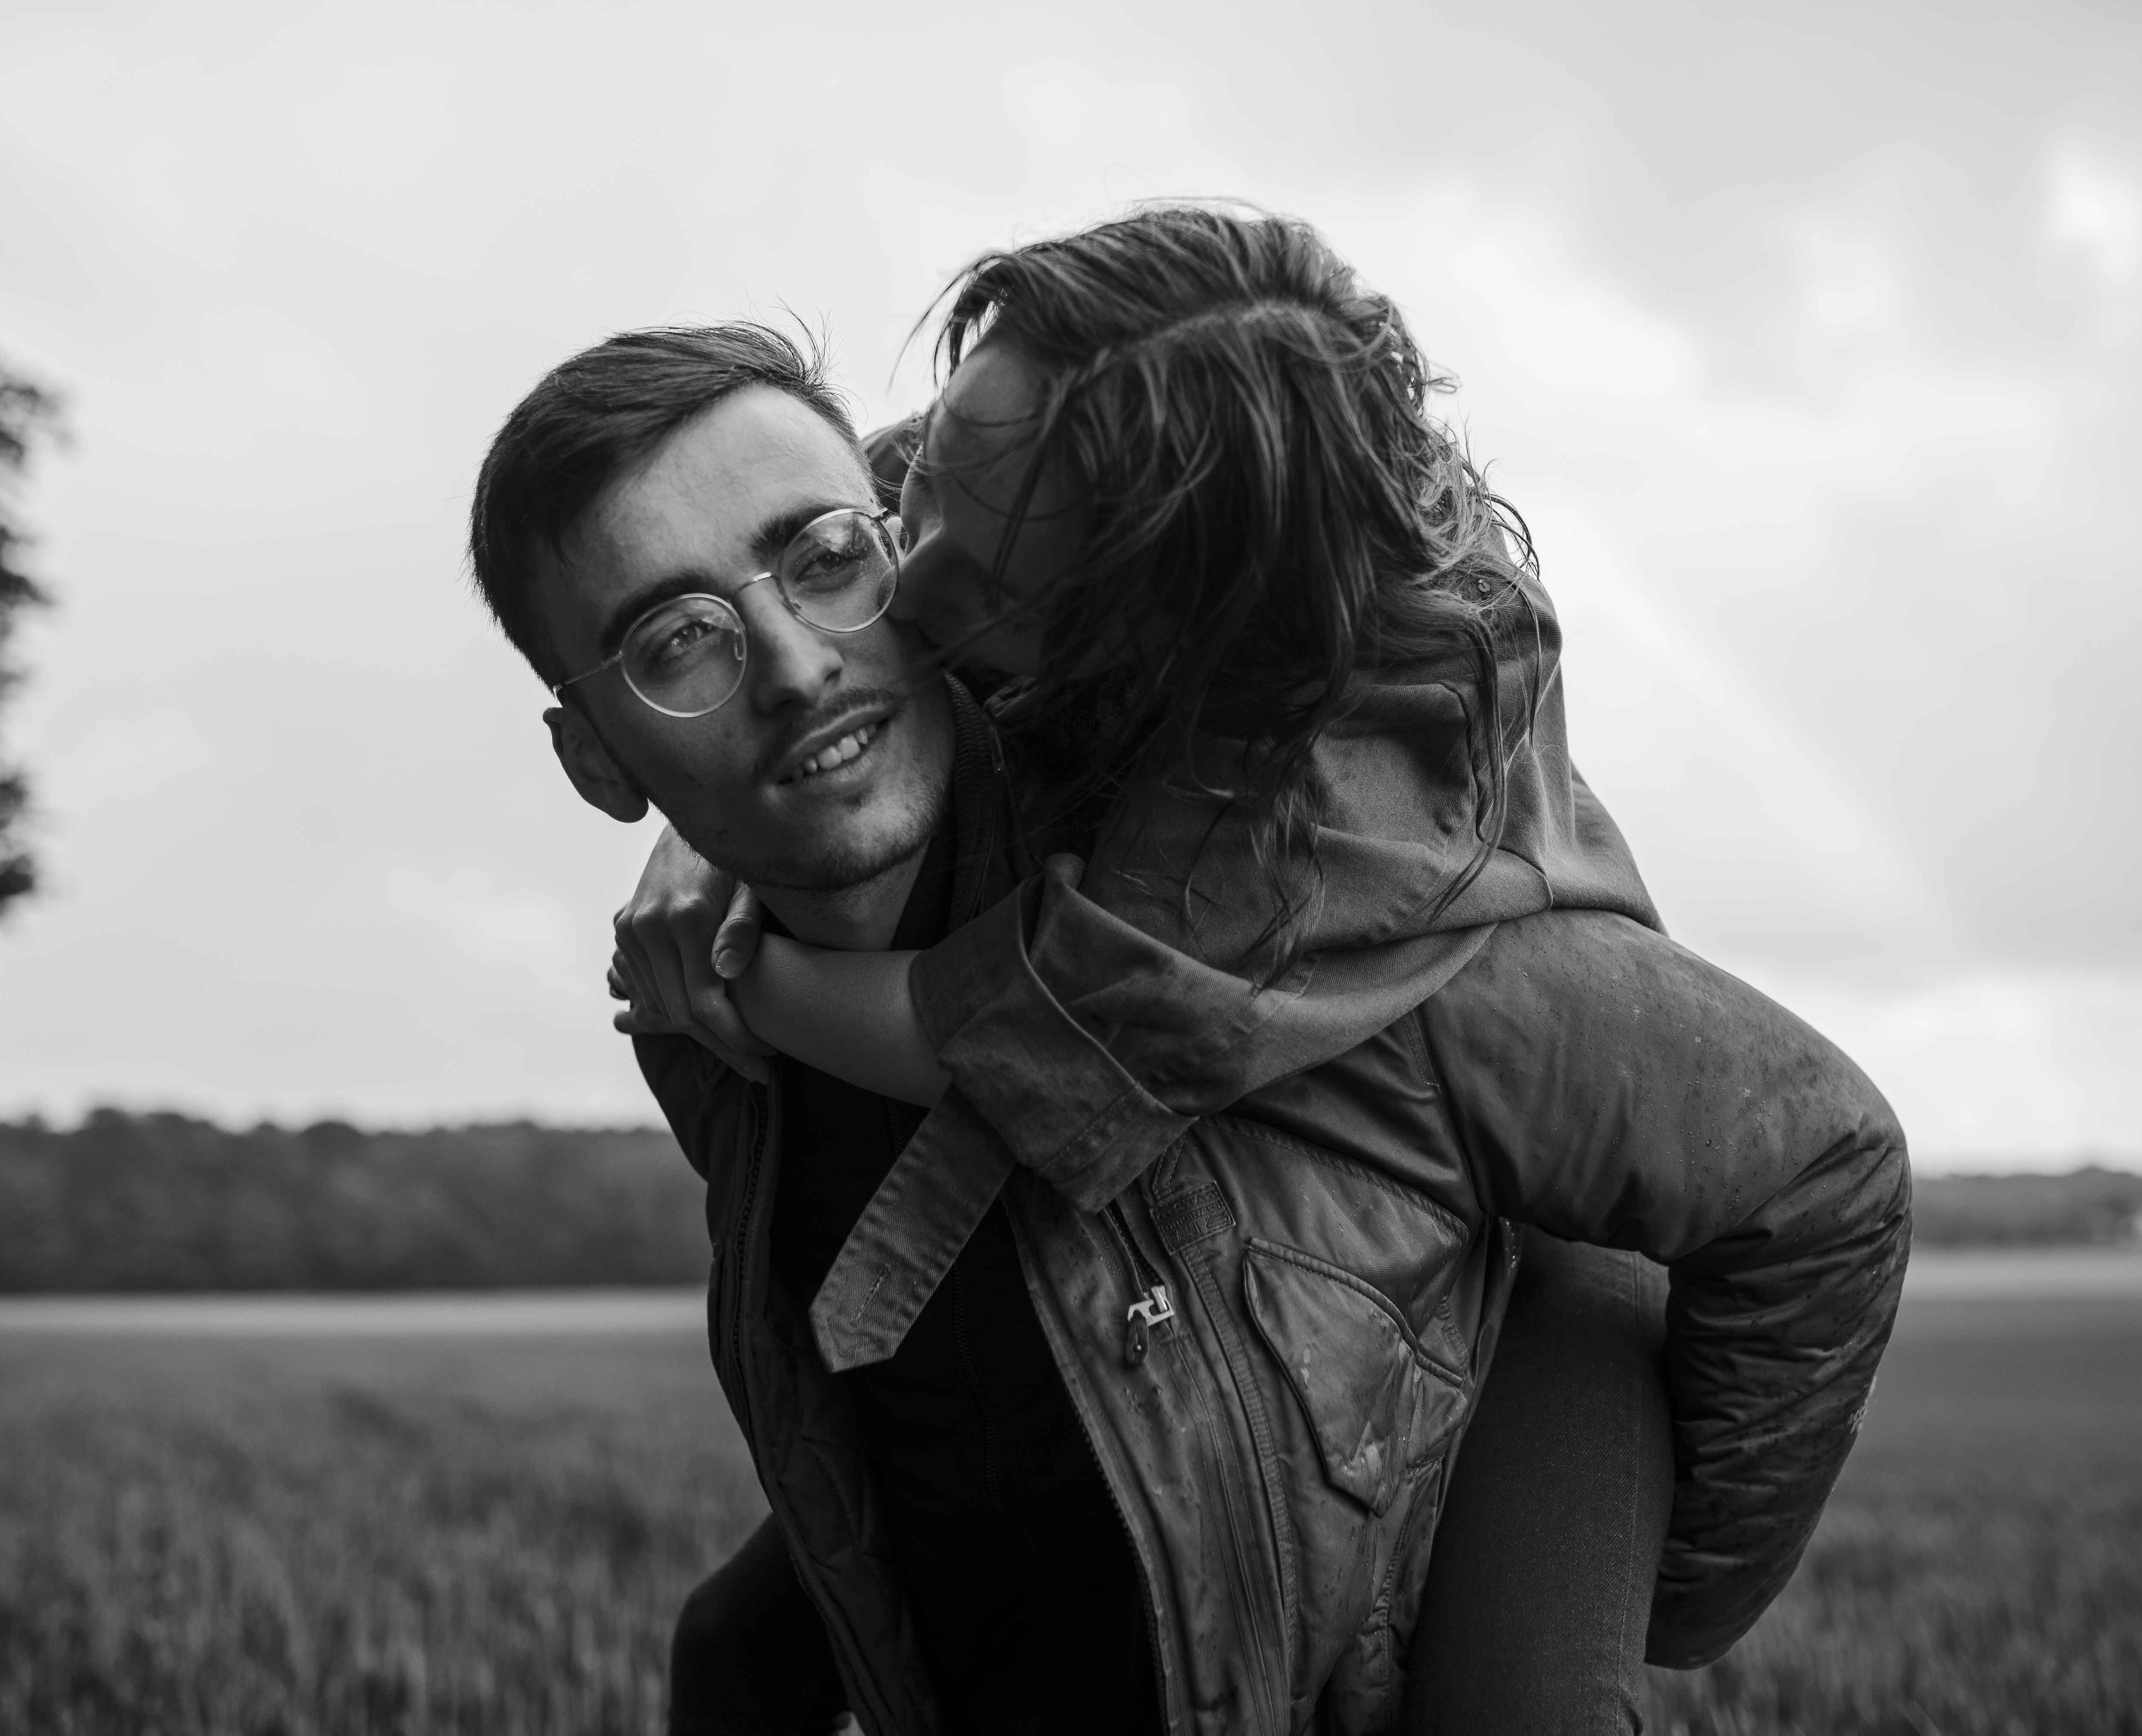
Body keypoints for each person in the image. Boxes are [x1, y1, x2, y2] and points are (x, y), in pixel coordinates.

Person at [469, 264, 1908, 1735]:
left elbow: (1824, 1163)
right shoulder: (708, 1025)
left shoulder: (1284, 899)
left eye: (826, 560)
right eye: (679, 644)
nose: (795, 666)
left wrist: (1660, 1604)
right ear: (597, 760)